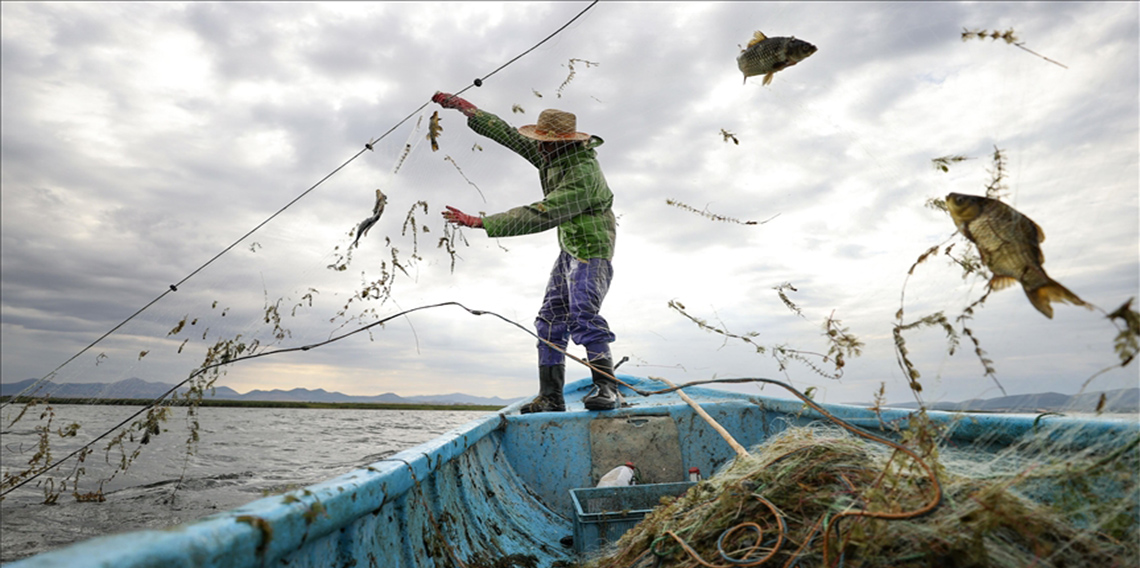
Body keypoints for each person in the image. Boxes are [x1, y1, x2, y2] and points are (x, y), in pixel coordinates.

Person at [431, 92, 620, 412]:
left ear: (564, 142)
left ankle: (607, 387)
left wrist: (481, 222)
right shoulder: (552, 155)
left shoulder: (583, 175)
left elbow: (544, 212)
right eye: (539, 142)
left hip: (592, 248)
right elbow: (507, 134)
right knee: (549, 319)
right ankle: (550, 397)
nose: (539, 148)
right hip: (569, 249)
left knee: (583, 312)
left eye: (544, 142)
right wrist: (467, 110)